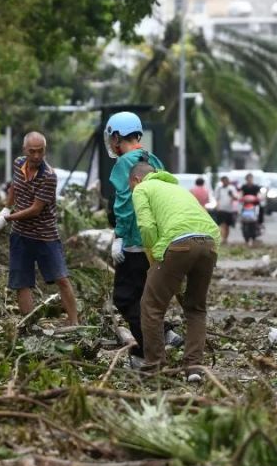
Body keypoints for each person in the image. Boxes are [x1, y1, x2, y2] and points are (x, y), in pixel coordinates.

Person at [130, 161, 221, 383]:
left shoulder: (142, 189)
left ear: (136, 180)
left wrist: (155, 258)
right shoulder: (178, 189)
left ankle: (155, 368)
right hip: (209, 243)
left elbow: (147, 227)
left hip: (179, 243)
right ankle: (194, 368)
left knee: (151, 306)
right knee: (196, 308)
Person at [102, 111, 179, 358]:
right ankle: (159, 337)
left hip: (135, 242)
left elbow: (124, 203)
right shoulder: (153, 159)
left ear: (116, 136)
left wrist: (120, 237)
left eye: (112, 138)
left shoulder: (124, 163)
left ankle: (151, 347)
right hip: (155, 242)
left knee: (125, 299)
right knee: (147, 298)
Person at [0, 131, 79, 325]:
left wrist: (7, 218)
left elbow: (35, 210)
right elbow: (14, 186)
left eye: (41, 151)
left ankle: (74, 322)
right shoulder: (18, 163)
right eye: (33, 152)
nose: (37, 156)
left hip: (45, 235)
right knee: (22, 282)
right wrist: (6, 206)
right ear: (25, 151)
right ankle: (29, 325)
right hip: (21, 234)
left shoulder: (48, 176)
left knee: (61, 279)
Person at [213, 175, 239, 245]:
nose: (225, 182)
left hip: (229, 209)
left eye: (226, 181)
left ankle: (225, 238)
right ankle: (223, 238)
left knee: (227, 226)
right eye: (224, 181)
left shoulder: (232, 188)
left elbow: (236, 198)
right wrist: (217, 206)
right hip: (221, 209)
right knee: (222, 224)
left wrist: (232, 195)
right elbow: (216, 198)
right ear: (222, 181)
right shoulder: (219, 188)